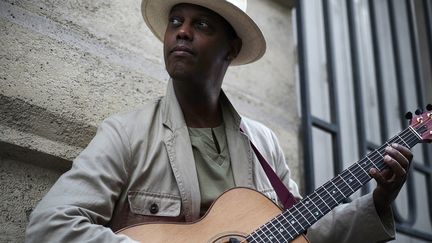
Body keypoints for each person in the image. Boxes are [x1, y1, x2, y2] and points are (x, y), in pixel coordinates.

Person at [25, 0, 413, 242]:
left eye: (202, 25)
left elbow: (300, 232)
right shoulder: (127, 134)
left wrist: (378, 202)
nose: (182, 32)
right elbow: (50, 225)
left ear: (231, 48)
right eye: (176, 20)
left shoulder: (264, 144)